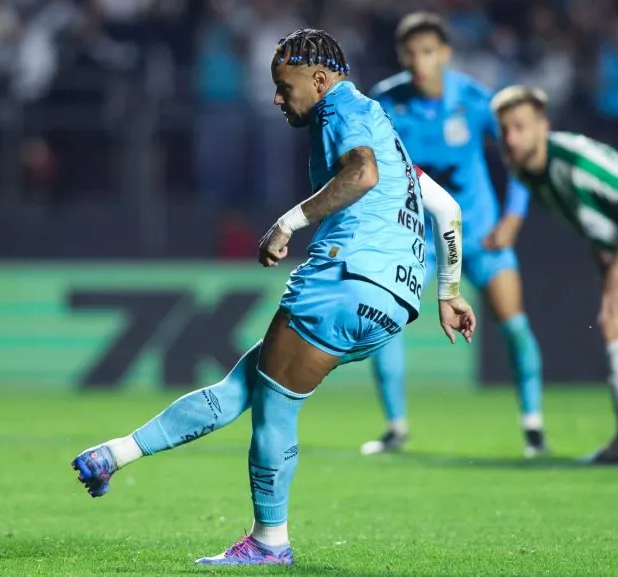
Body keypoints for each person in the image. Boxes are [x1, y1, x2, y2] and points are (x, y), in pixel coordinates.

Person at [70, 28, 476, 566]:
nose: (277, 99)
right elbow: (447, 210)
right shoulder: (387, 134)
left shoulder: (341, 111)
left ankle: (269, 543)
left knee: (274, 411)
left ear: (321, 79)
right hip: (395, 302)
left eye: (285, 87)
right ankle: (112, 456)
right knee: (248, 383)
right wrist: (448, 291)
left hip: (343, 279)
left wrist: (288, 222)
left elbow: (361, 173)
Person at [365, 12, 545, 457]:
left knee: (515, 325)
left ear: (444, 53)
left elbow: (516, 153)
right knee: (385, 325)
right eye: (410, 52)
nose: (418, 61)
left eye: (427, 51)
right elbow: (369, 169)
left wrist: (513, 217)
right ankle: (395, 427)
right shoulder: (386, 102)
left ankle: (534, 428)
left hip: (480, 235)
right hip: (418, 241)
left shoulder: (474, 100)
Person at [492, 84, 618, 464]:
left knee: (614, 322)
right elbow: (599, 228)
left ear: (543, 127)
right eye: (504, 130)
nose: (511, 138)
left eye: (520, 127)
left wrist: (616, 275)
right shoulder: (531, 175)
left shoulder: (577, 161)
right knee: (615, 323)